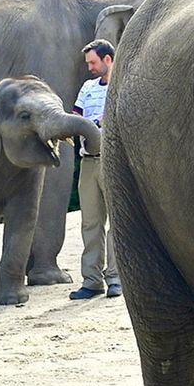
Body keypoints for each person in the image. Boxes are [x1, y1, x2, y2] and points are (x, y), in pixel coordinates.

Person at [69, 39, 121, 300]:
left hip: (114, 161)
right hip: (88, 162)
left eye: (93, 62)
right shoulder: (87, 88)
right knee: (90, 222)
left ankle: (116, 277)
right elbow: (76, 116)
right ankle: (91, 280)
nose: (89, 67)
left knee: (117, 223)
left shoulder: (121, 85)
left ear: (108, 60)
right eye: (88, 62)